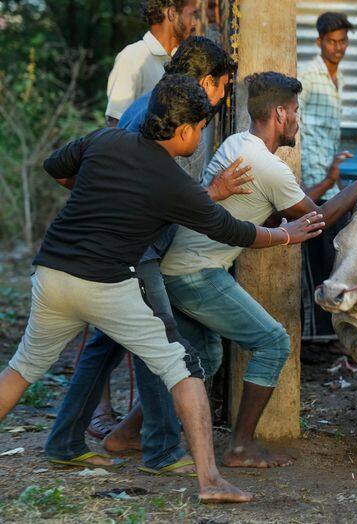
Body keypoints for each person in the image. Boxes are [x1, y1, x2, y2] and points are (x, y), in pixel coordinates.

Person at [0, 74, 324, 502]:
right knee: (183, 369)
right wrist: (287, 235)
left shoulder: (103, 140)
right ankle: (210, 481)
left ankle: (90, 441)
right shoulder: (172, 183)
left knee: (22, 368)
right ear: (185, 130)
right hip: (107, 285)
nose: (203, 135)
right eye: (203, 127)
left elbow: (55, 167)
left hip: (52, 275)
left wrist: (98, 196)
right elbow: (234, 231)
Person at [158, 71, 357, 468]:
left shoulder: (238, 143)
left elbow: (284, 209)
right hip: (196, 272)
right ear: (279, 114)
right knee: (273, 342)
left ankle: (130, 436)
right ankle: (240, 447)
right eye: (295, 111)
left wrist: (329, 190)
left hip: (180, 267)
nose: (298, 120)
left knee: (201, 357)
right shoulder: (268, 166)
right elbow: (319, 220)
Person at [45, 37, 242, 476]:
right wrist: (278, 233)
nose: (224, 98)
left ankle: (63, 440)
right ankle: (162, 449)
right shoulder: (162, 117)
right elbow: (143, 186)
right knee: (160, 342)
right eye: (223, 87)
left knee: (105, 346)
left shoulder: (152, 106)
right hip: (136, 251)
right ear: (205, 82)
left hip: (129, 247)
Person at [91, 0, 199, 439]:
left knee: (131, 319)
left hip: (158, 206)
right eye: (191, 11)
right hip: (128, 206)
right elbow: (116, 130)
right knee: (116, 320)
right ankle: (106, 413)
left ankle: (134, 419)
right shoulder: (134, 59)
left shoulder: (176, 64)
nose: (194, 20)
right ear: (169, 11)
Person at [298, 12, 355, 339]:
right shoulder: (307, 75)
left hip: (329, 185)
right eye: (331, 41)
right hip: (310, 186)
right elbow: (294, 126)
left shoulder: (339, 79)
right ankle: (315, 337)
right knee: (312, 264)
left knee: (330, 259)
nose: (338, 47)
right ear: (319, 42)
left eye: (343, 41)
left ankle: (327, 333)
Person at [105, 0, 198, 127]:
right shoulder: (133, 56)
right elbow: (115, 123)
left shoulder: (182, 60)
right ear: (172, 13)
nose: (195, 23)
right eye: (192, 14)